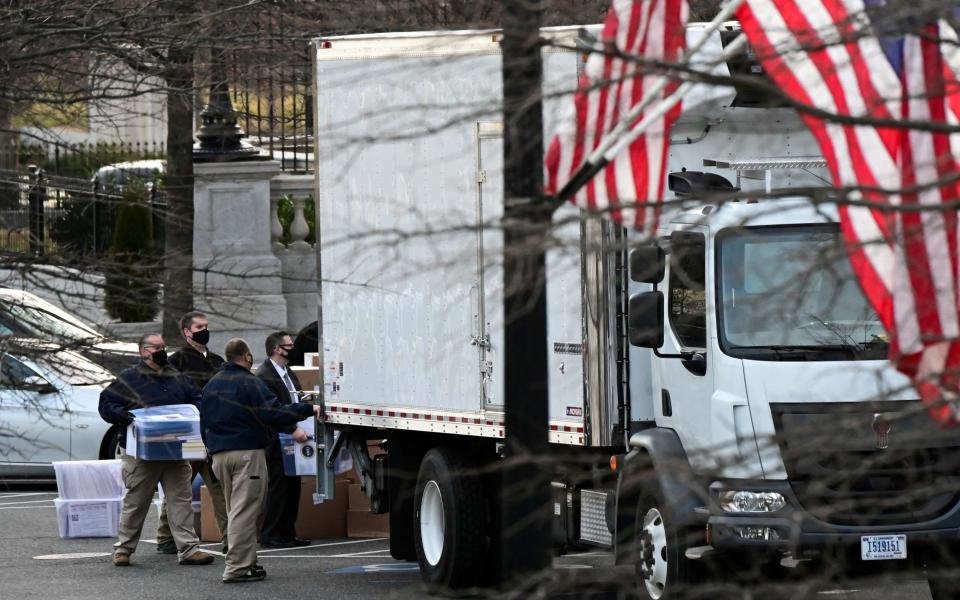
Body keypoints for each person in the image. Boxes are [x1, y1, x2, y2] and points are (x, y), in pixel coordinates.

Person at [201, 338, 320, 583]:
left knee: (235, 508)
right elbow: (272, 413)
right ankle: (237, 567)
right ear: (246, 357)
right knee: (245, 512)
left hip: (219, 455)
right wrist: (308, 409)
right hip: (246, 452)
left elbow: (203, 422)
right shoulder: (250, 382)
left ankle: (247, 561)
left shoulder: (212, 384)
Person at [98, 333, 215, 568]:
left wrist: (198, 412)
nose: (162, 351)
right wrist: (121, 416)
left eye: (163, 346)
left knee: (180, 499)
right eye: (156, 347)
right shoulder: (129, 379)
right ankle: (123, 549)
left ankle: (188, 549)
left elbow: (197, 399)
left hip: (175, 450)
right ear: (143, 351)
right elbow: (106, 404)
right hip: (142, 452)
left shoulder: (177, 377)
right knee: (137, 500)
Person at [155, 311, 230, 555]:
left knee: (219, 489)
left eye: (206, 326)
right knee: (180, 487)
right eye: (199, 326)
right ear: (187, 332)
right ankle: (165, 537)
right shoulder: (177, 362)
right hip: (190, 436)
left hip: (214, 434)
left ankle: (230, 538)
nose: (204, 330)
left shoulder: (218, 361)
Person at [256, 331, 310, 548]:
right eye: (289, 345)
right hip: (277, 439)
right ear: (277, 349)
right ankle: (271, 534)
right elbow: (271, 410)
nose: (293, 347)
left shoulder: (287, 373)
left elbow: (294, 400)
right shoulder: (265, 376)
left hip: (292, 440)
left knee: (292, 486)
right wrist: (291, 427)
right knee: (278, 487)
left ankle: (287, 532)